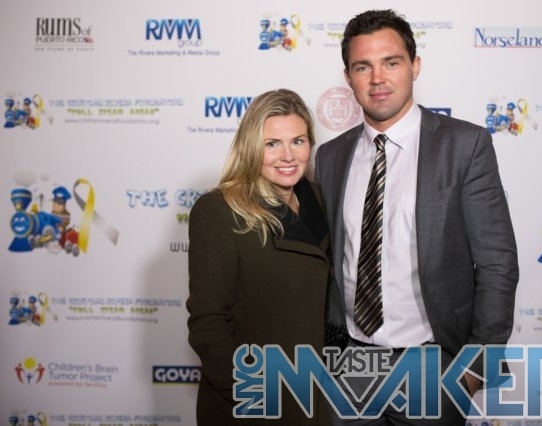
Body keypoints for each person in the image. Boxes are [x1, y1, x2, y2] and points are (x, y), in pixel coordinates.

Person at [314, 9, 519, 424]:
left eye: (391, 62)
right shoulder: (330, 156)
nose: (378, 78)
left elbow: (498, 264)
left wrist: (472, 372)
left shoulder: (465, 146)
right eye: (363, 67)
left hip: (433, 366)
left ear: (415, 66)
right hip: (350, 364)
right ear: (348, 77)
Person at [187, 88, 331, 425]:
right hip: (257, 402)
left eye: (298, 141)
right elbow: (208, 323)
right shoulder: (220, 210)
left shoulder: (319, 198)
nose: (288, 156)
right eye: (272, 144)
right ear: (251, 147)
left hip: (317, 394)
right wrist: (253, 392)